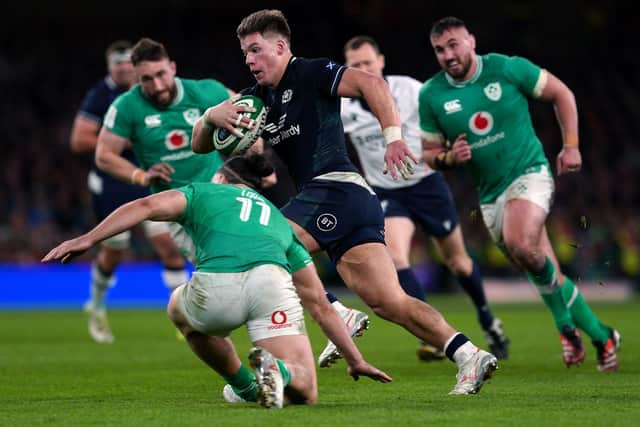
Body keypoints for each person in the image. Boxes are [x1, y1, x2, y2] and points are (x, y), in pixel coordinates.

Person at [191, 9, 498, 395]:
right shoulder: (257, 99)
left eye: (255, 50)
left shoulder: (310, 72)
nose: (249, 60)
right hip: (347, 202)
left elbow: (372, 84)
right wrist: (209, 117)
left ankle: (328, 320)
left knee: (261, 245)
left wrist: (393, 138)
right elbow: (199, 144)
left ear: (281, 46)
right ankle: (468, 354)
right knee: (390, 302)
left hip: (334, 189)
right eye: (244, 54)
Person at [42, 153, 392, 409]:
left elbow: (146, 206)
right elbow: (318, 301)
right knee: (306, 389)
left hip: (216, 288)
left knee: (180, 310)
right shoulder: (277, 219)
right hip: (271, 287)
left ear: (222, 178)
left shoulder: (203, 192)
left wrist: (88, 239)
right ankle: (281, 373)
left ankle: (244, 387)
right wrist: (354, 358)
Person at [419, 16, 620, 372]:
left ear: (471, 41)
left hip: (530, 173)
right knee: (534, 262)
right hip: (490, 194)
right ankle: (603, 336)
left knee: (520, 243)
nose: (448, 54)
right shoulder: (432, 94)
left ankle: (565, 329)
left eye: (454, 44)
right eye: (439, 49)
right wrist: (451, 157)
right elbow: (429, 155)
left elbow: (562, 93)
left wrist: (570, 145)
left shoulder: (508, 68)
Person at [339, 35, 509, 361]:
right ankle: (435, 333)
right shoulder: (344, 107)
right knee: (396, 259)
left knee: (458, 262)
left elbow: (444, 114)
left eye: (367, 63)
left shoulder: (409, 90)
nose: (363, 69)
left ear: (381, 61)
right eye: (355, 65)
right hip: (387, 190)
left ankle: (488, 319)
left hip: (427, 183)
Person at [70, 40, 187, 344]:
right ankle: (96, 306)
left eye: (126, 63)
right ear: (110, 68)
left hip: (152, 180)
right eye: (117, 64)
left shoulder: (150, 93)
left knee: (169, 246)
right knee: (114, 250)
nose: (123, 68)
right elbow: (79, 140)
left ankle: (183, 315)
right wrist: (125, 136)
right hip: (113, 181)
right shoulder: (101, 96)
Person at [95, 37, 231, 266]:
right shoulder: (126, 106)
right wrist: (142, 176)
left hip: (219, 191)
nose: (157, 85)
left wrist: (256, 151)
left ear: (173, 68)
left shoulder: (205, 91)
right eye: (147, 79)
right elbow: (104, 156)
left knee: (242, 260)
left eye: (161, 75)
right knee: (219, 265)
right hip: (178, 209)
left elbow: (247, 109)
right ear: (137, 78)